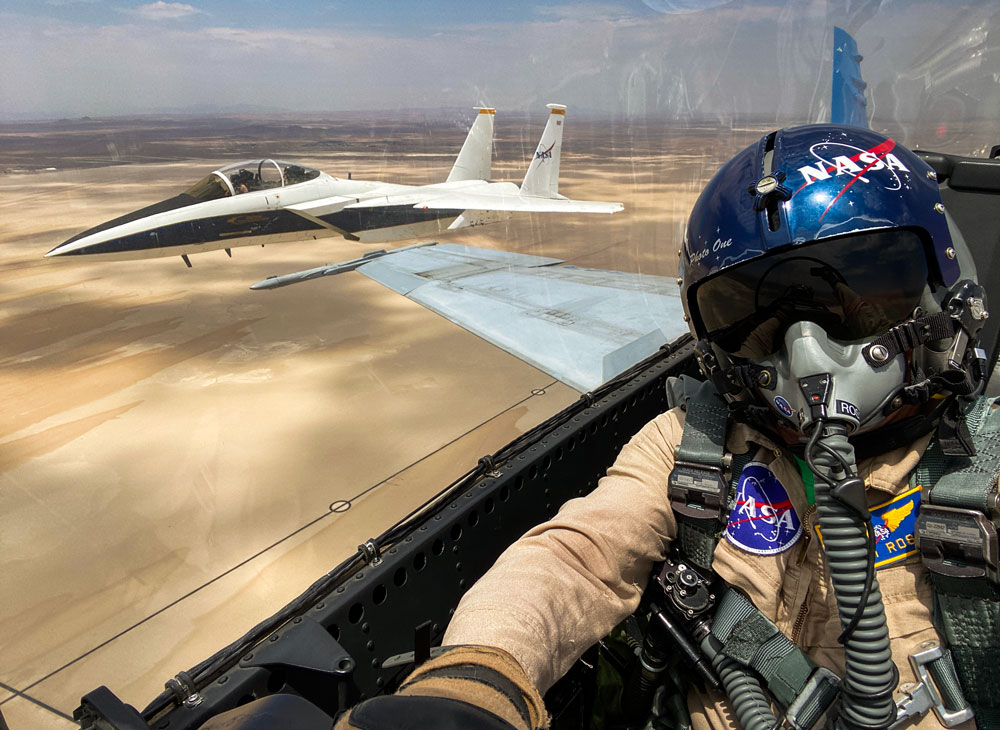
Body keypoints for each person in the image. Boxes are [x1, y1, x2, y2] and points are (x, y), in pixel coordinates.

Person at [335, 124, 997, 730]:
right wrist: (474, 682)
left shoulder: (985, 465)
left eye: (854, 305)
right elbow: (575, 558)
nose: (805, 356)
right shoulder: (696, 442)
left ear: (943, 288)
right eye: (757, 319)